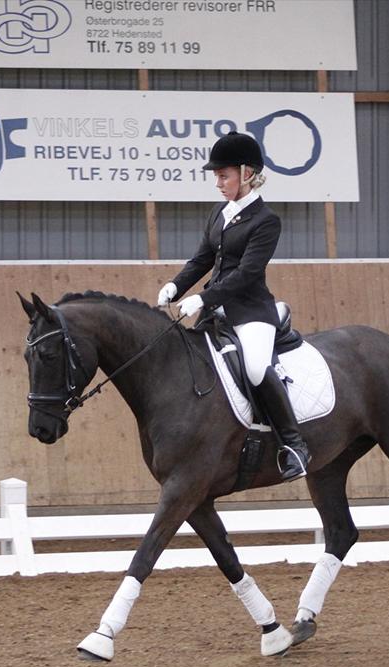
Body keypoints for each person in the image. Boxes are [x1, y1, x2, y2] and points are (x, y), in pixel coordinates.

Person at [156, 131, 310, 481]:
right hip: (215, 314)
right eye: (216, 176)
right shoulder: (219, 214)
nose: (218, 182)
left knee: (256, 367)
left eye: (223, 175)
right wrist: (176, 285)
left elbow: (247, 273)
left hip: (251, 312)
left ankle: (294, 445)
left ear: (247, 174)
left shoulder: (266, 220)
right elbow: (202, 259)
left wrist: (202, 298)